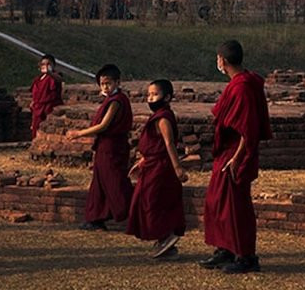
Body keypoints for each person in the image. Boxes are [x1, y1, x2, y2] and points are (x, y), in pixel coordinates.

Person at [198, 40, 273, 274]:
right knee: (217, 203)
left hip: (235, 154)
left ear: (224, 60)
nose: (217, 62)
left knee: (236, 206)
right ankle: (225, 249)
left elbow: (247, 129)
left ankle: (246, 256)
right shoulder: (240, 83)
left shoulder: (242, 87)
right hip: (227, 152)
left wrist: (238, 158)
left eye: (218, 59)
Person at [66, 63, 134, 231]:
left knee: (115, 183)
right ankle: (96, 218)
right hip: (106, 146)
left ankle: (135, 211)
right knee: (100, 182)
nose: (105, 87)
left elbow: (104, 125)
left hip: (112, 147)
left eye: (108, 83)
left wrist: (79, 134)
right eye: (102, 84)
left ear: (117, 82)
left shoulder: (117, 101)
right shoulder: (112, 99)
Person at [127, 79, 188, 260]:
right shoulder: (159, 116)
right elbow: (156, 144)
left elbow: (169, 143)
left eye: (155, 94)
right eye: (149, 95)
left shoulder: (163, 118)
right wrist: (142, 161)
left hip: (162, 167)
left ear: (167, 97)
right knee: (148, 200)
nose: (151, 98)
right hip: (152, 165)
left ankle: (167, 235)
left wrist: (178, 168)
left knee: (154, 201)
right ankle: (164, 240)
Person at [30, 54, 63, 139]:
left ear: (53, 65)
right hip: (38, 108)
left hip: (49, 107)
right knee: (36, 130)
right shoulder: (38, 79)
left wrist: (50, 73)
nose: (45, 66)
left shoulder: (54, 76)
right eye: (43, 64)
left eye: (48, 64)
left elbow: (59, 79)